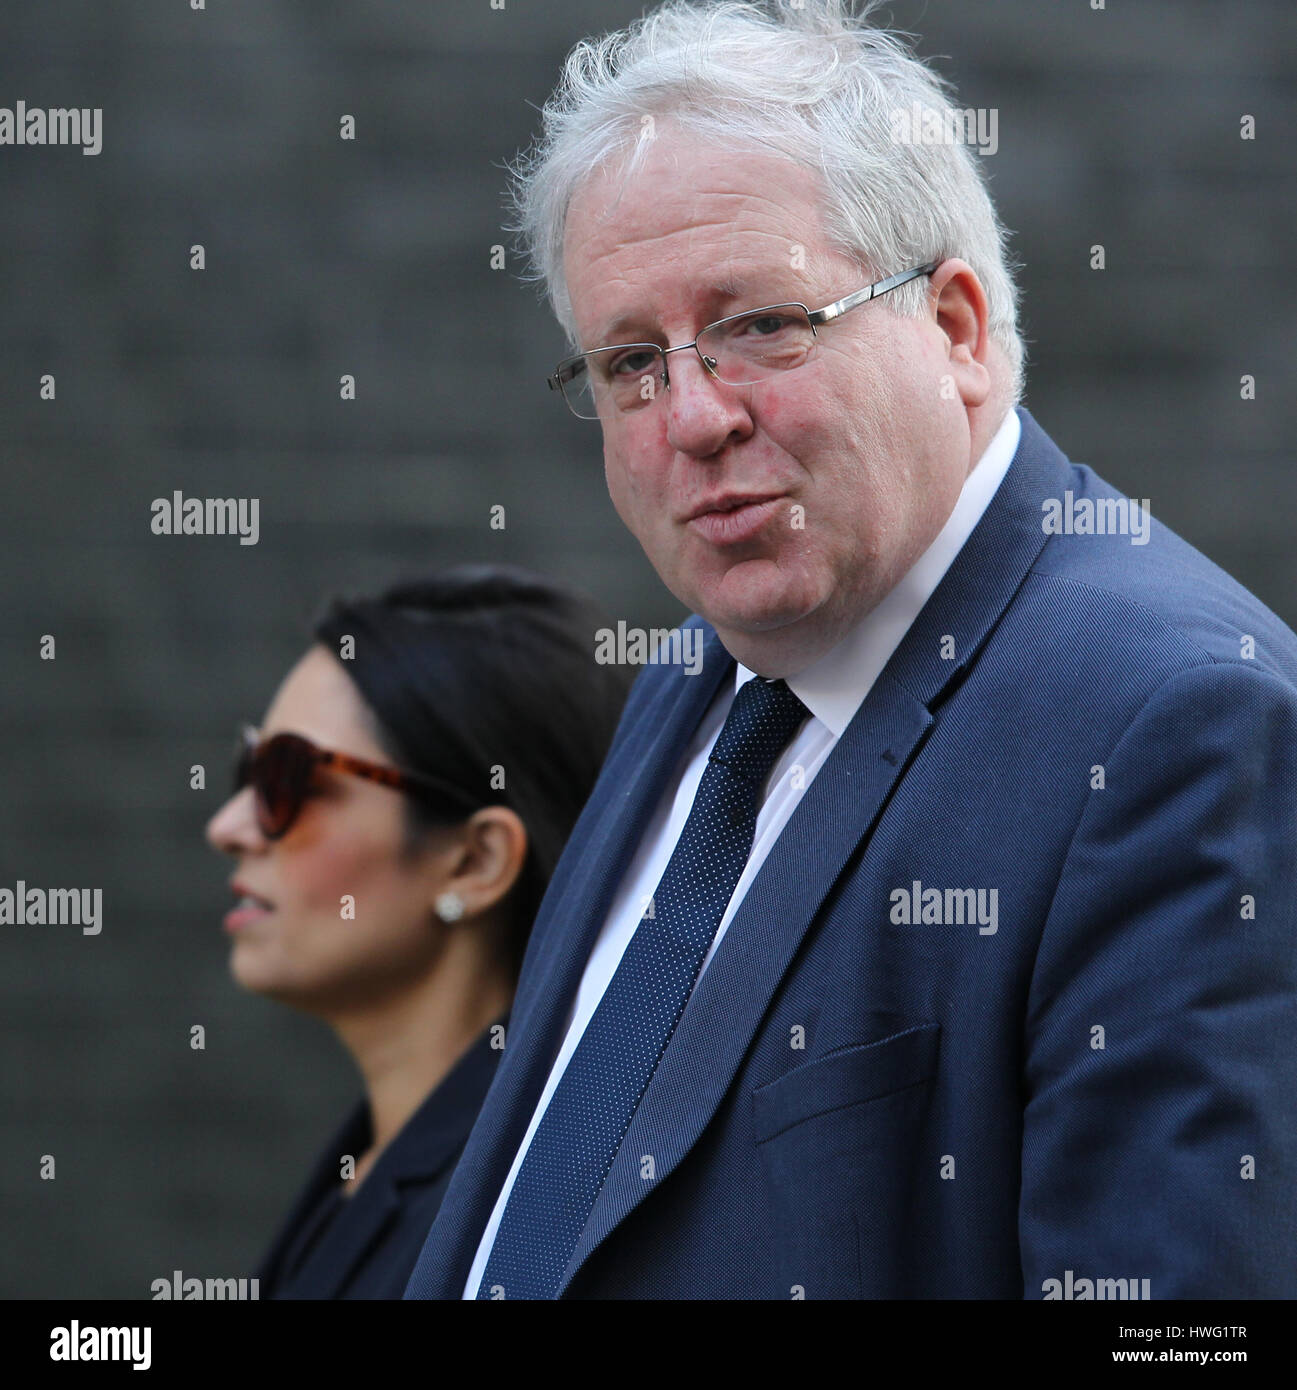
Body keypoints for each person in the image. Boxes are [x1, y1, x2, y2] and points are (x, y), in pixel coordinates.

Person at [403, 0, 1297, 1300]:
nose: (692, 417)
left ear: (956, 330)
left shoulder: (1180, 725)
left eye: (762, 322)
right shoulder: (701, 671)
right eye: (632, 362)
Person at [205, 564, 632, 1298]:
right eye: (251, 766)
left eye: (287, 780)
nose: (228, 827)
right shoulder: (383, 1157)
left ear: (474, 861)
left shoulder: (517, 1218)